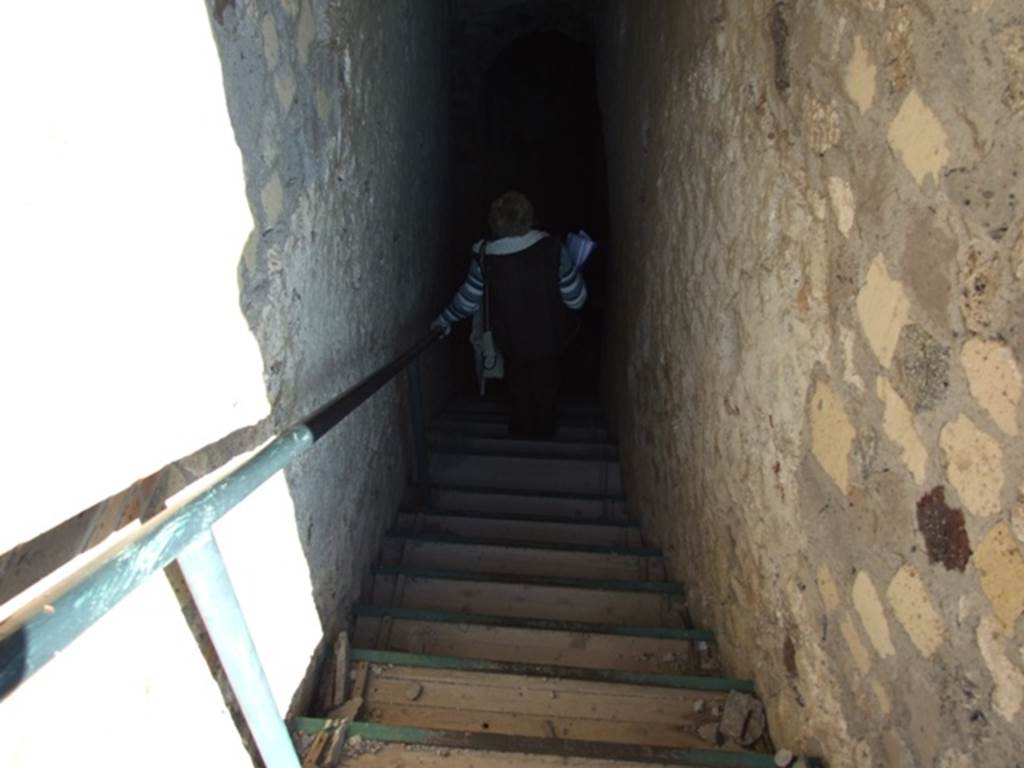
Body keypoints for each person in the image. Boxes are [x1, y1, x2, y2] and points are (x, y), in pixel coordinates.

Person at [431, 191, 587, 437]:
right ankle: (545, 439)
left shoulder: (484, 257)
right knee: (547, 390)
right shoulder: (553, 249)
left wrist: (444, 320)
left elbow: (467, 301)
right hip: (550, 340)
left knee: (518, 389)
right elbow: (577, 300)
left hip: (512, 342)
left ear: (494, 223)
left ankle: (521, 436)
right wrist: (572, 271)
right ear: (529, 218)